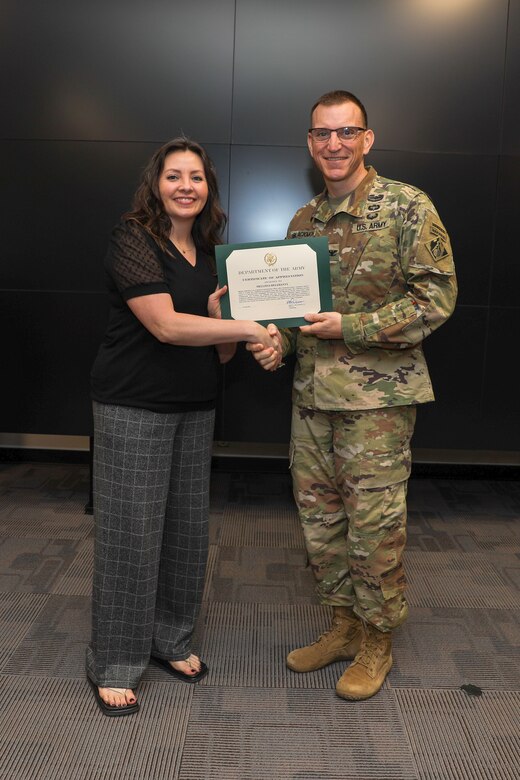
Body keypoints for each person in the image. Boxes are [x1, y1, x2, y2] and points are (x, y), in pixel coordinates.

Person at [249, 90, 457, 700]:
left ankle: (377, 639)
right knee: (320, 523)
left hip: (376, 406)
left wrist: (354, 326)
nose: (333, 144)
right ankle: (341, 624)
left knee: (374, 525)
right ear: (310, 143)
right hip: (312, 401)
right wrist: (275, 346)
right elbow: (292, 318)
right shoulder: (304, 220)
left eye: (346, 132)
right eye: (321, 134)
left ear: (368, 139)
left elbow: (435, 300)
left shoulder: (408, 207)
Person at [87, 137, 279, 716]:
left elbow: (214, 355)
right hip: (133, 406)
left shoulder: (209, 251)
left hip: (196, 408)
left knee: (186, 533)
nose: (186, 186)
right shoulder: (133, 239)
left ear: (208, 190)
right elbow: (167, 328)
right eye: (174, 176)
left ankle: (169, 639)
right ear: (156, 184)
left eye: (196, 177)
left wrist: (225, 326)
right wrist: (247, 329)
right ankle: (116, 661)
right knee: (131, 536)